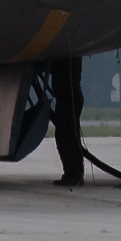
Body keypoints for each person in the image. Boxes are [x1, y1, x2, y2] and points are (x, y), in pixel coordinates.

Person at [50, 57, 84, 186]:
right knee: (67, 136)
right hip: (67, 98)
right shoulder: (71, 50)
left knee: (67, 137)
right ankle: (73, 174)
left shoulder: (67, 52)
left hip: (68, 99)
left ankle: (74, 175)